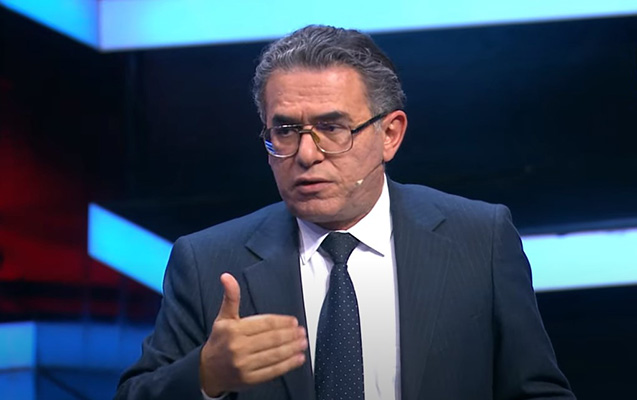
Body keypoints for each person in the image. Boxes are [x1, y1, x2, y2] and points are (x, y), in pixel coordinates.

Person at [116, 25, 576, 400]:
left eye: (332, 127)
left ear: (390, 135)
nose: (306, 154)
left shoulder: (480, 239)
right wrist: (205, 376)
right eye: (285, 130)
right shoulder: (207, 262)